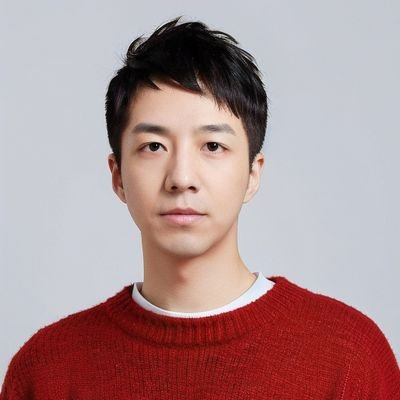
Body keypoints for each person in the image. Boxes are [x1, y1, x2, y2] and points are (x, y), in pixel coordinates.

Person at [1, 16, 399, 399]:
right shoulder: (47, 372)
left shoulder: (349, 358)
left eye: (212, 146)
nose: (181, 177)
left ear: (252, 174)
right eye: (153, 146)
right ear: (118, 176)